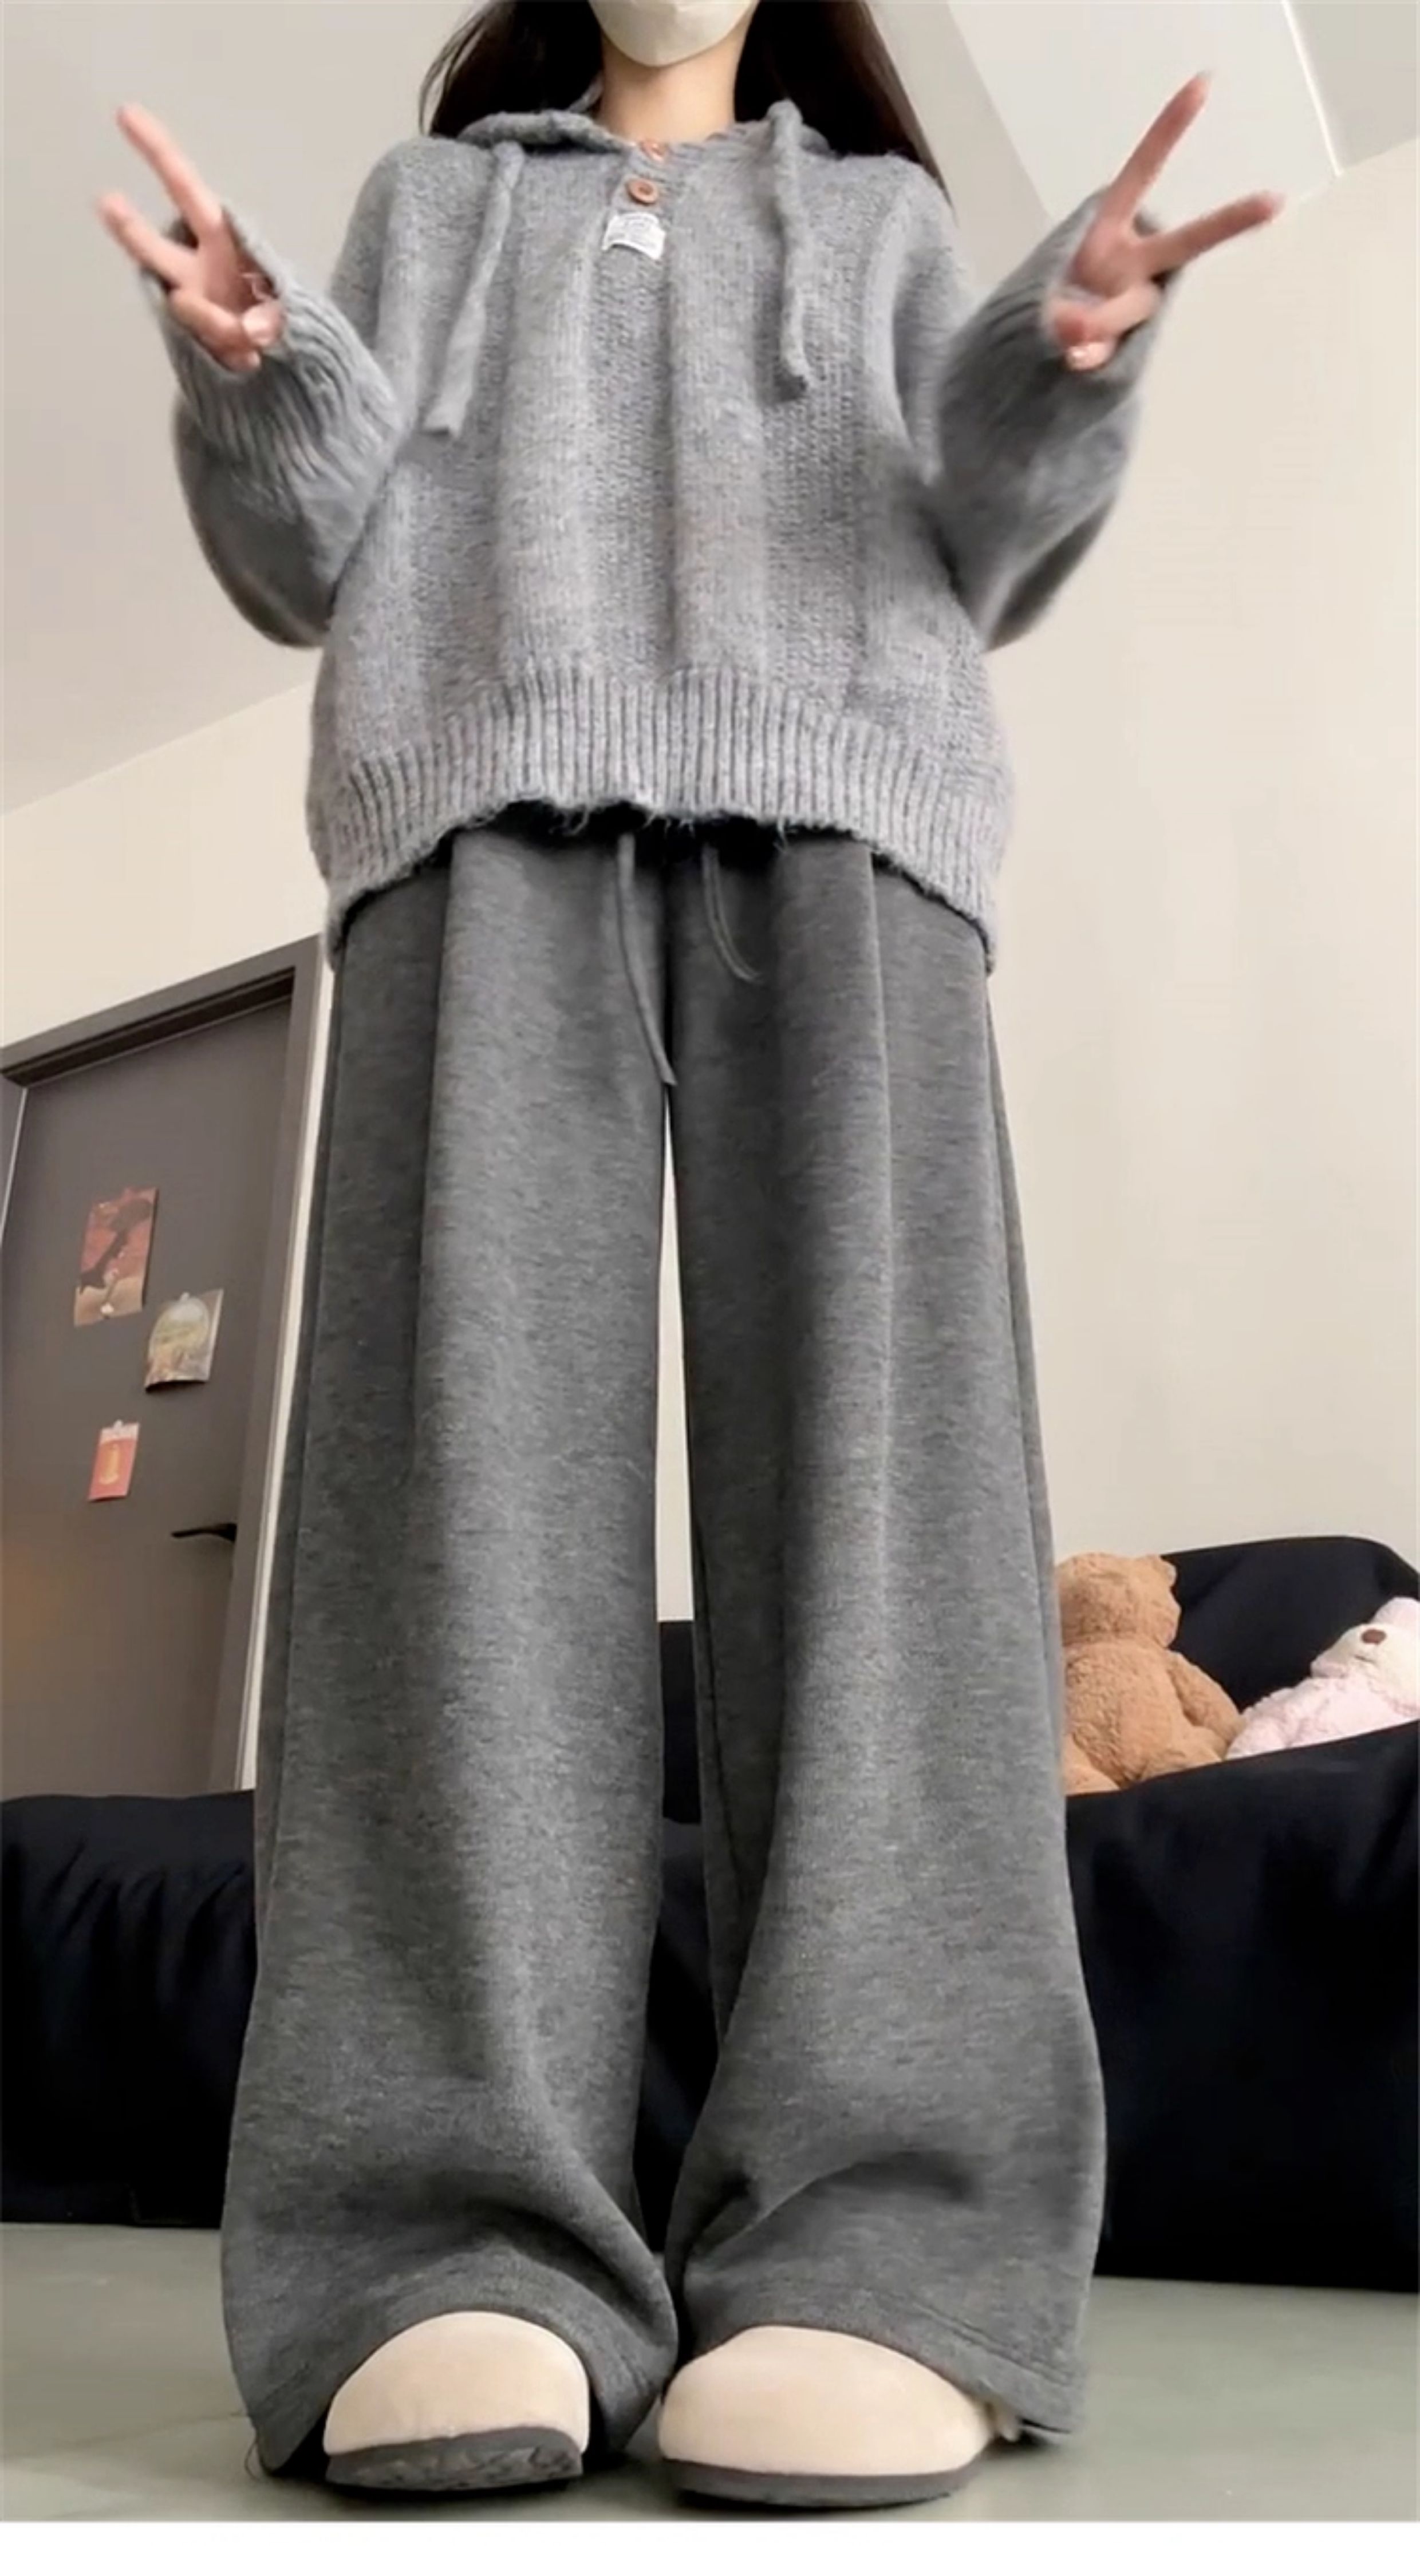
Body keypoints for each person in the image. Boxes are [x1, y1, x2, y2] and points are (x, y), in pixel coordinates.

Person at [100, 0, 1277, 2512]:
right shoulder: (436, 206)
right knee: (446, 1513)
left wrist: (1065, 349)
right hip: (469, 811)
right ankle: (435, 2243)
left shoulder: (876, 214)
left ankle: (895, 2243)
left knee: (889, 1514)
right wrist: (253, 365)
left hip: (857, 824)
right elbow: (308, 545)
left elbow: (976, 514)